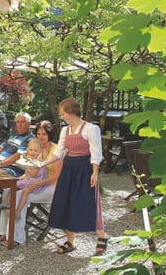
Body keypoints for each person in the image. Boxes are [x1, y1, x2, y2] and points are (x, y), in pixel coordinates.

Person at [42, 98, 108, 256]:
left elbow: (96, 152)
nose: (62, 116)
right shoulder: (65, 130)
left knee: (88, 202)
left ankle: (102, 237)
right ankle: (70, 241)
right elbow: (60, 152)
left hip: (84, 169)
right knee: (67, 202)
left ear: (71, 112)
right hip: (69, 168)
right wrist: (44, 163)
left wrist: (95, 172)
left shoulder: (91, 129)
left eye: (63, 113)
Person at [0, 120, 63, 245]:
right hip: (36, 182)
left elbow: (57, 177)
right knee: (7, 191)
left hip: (53, 186)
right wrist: (16, 180)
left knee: (19, 195)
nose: (40, 137)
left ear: (50, 134)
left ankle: (16, 238)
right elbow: (30, 172)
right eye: (38, 134)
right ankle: (3, 232)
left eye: (44, 134)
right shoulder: (37, 148)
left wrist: (39, 183)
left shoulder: (56, 150)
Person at [0, 138, 46, 218]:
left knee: (25, 191)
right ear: (27, 150)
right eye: (31, 150)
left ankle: (18, 211)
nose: (32, 152)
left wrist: (27, 165)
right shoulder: (29, 161)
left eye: (36, 151)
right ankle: (6, 203)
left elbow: (33, 174)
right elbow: (26, 175)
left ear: (40, 152)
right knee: (14, 185)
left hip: (36, 182)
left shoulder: (38, 162)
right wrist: (18, 178)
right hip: (28, 179)